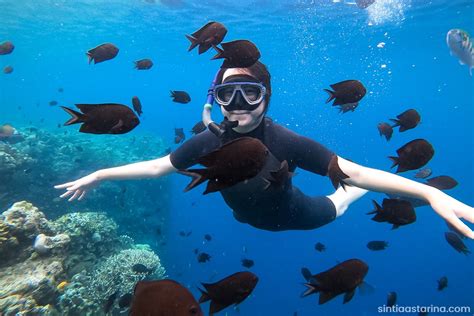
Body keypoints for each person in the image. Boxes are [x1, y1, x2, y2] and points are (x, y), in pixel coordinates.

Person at [55, 61, 474, 238]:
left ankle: (347, 200)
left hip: (302, 216)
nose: (237, 106)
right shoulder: (209, 140)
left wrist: (430, 192)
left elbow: (358, 171)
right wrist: (99, 174)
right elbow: (156, 168)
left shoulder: (284, 141)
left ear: (266, 97)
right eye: (227, 94)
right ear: (216, 98)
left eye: (249, 93)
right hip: (246, 217)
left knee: (345, 194)